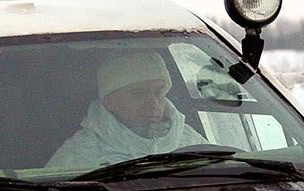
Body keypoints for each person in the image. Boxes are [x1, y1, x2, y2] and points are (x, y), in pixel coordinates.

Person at [43, 49, 210, 173]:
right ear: (110, 102)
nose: (153, 103)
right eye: (138, 93)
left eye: (159, 92)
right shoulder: (80, 153)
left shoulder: (189, 140)